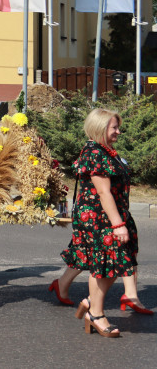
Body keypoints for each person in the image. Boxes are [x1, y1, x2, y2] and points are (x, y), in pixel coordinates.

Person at [56, 108, 139, 337]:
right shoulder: (95, 153)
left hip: (109, 215)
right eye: (114, 128)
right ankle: (96, 314)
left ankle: (92, 303)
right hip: (99, 218)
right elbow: (103, 193)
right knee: (105, 266)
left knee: (114, 264)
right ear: (100, 128)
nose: (118, 132)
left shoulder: (106, 151)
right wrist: (118, 225)